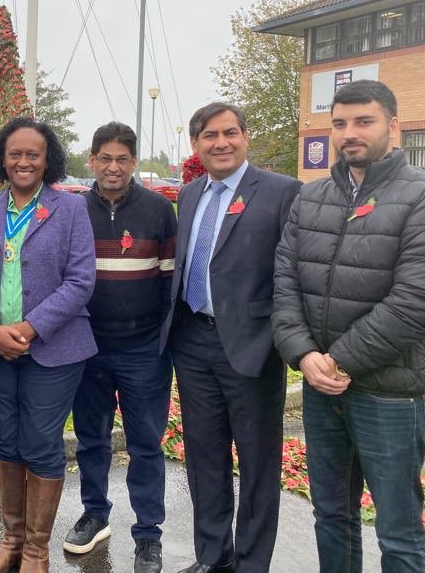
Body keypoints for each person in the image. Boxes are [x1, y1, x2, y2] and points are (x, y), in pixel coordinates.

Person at [272, 80, 425, 572]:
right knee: (332, 515)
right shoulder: (312, 198)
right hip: (323, 389)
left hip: (389, 393)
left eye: (364, 121)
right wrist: (302, 355)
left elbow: (421, 303)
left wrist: (337, 360)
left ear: (393, 125)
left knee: (398, 531)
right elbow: (284, 283)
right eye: (340, 123)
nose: (349, 133)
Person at [160, 102, 301, 573]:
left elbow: (292, 275)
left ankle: (251, 564)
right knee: (204, 457)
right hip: (193, 342)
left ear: (245, 136)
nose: (220, 142)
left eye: (229, 133)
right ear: (196, 144)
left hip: (253, 348)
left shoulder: (282, 193)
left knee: (259, 464)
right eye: (209, 136)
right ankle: (212, 559)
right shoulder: (191, 193)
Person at [0, 116, 97, 573]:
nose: (23, 161)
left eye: (32, 154)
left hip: (54, 348)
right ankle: (12, 541)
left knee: (41, 443)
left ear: (47, 159)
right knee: (8, 441)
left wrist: (30, 328)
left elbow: (80, 280)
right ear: (3, 157)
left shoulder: (70, 209)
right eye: (15, 153)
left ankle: (37, 550)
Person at [63, 122, 176, 573]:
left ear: (134, 162)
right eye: (105, 158)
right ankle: (95, 513)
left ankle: (148, 533)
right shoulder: (71, 210)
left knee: (146, 443)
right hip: (86, 347)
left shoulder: (158, 210)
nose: (113, 167)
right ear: (92, 161)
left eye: (123, 159)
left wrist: (163, 341)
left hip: (144, 350)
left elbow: (170, 280)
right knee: (92, 439)